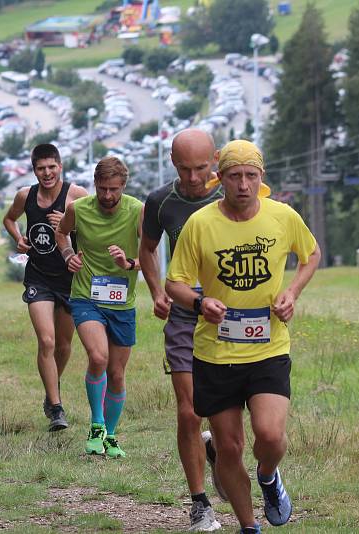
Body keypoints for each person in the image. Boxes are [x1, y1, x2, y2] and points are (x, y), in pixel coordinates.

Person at [166, 140, 321, 534]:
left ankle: (268, 476)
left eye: (251, 176)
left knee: (270, 436)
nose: (243, 185)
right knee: (231, 448)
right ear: (221, 179)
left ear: (261, 178)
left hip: (268, 346)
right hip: (216, 353)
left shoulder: (282, 217)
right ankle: (249, 525)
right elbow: (175, 284)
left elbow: (311, 254)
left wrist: (292, 293)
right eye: (234, 176)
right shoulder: (200, 224)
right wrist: (201, 304)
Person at [139, 129, 226, 531]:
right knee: (189, 412)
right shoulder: (160, 201)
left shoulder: (231, 193)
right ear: (173, 164)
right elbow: (147, 249)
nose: (193, 178)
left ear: (215, 161)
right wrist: (157, 290)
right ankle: (200, 503)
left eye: (201, 168)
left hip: (230, 314)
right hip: (183, 313)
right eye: (184, 169)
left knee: (227, 414)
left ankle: (221, 455)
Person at [55, 156, 143, 457]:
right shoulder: (77, 209)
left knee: (117, 374)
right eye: (103, 188)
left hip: (123, 302)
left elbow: (152, 257)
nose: (108, 196)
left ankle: (111, 436)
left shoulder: (137, 211)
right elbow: (61, 233)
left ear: (124, 186)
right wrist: (68, 256)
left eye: (114, 189)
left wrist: (129, 262)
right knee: (98, 356)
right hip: (86, 296)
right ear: (95, 185)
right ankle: (96, 423)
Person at [3, 143, 88, 431]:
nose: (47, 173)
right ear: (34, 170)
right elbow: (9, 218)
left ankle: (52, 385)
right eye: (41, 168)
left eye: (52, 167)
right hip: (38, 277)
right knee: (47, 341)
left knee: (64, 346)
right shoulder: (25, 196)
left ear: (60, 166)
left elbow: (97, 227)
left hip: (69, 280)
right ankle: (55, 407)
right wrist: (19, 238)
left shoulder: (76, 196)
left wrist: (69, 225)